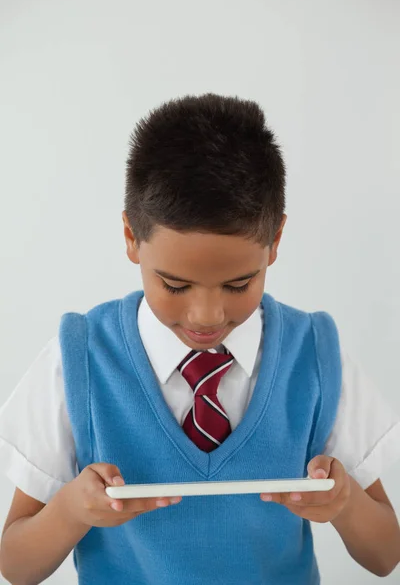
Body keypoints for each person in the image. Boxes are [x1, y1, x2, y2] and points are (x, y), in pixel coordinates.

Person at [0, 93, 399, 585]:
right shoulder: (77, 362)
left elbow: (384, 555)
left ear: (276, 241)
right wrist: (71, 511)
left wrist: (345, 502)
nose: (207, 316)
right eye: (174, 285)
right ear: (130, 236)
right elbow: (16, 566)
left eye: (238, 285)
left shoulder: (315, 358)